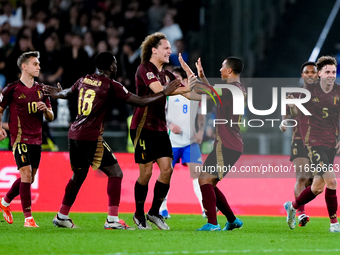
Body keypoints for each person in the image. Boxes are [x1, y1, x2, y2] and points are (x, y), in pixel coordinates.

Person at [43, 51, 180, 229]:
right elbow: (139, 101)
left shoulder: (84, 79)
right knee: (116, 173)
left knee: (78, 175)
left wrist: (58, 93)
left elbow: (68, 92)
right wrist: (164, 92)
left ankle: (62, 215)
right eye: (114, 64)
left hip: (74, 134)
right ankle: (112, 220)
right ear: (111, 67)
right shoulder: (110, 84)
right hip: (90, 136)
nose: (116, 66)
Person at [130, 32, 196, 230]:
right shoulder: (145, 69)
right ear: (154, 50)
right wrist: (183, 89)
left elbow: (188, 91)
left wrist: (212, 94)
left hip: (160, 127)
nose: (170, 51)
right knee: (146, 172)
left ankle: (154, 212)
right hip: (142, 127)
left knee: (167, 170)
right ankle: (139, 214)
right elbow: (160, 90)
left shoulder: (167, 74)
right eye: (166, 48)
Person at [186, 56, 246, 231]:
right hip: (230, 143)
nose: (220, 70)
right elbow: (211, 92)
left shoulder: (230, 89)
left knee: (204, 180)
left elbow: (204, 91)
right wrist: (202, 76)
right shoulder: (235, 89)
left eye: (222, 66)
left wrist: (190, 76)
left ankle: (212, 223)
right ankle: (232, 220)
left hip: (227, 143)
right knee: (209, 183)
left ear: (229, 70)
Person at [284, 55, 340, 233]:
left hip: (331, 141)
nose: (331, 75)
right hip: (313, 141)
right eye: (327, 72)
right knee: (331, 182)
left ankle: (292, 206)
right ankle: (334, 224)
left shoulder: (338, 91)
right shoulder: (308, 93)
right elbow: (293, 109)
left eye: (333, 72)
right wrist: (288, 115)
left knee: (316, 187)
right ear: (320, 74)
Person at [0, 51, 54, 227]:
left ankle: (5, 201)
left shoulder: (42, 90)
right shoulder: (11, 89)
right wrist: (0, 127)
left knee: (29, 179)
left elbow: (51, 117)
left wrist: (46, 110)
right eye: (35, 64)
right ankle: (28, 219)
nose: (39, 67)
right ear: (24, 66)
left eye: (38, 64)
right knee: (26, 174)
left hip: (37, 140)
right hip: (19, 139)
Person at [159, 66, 206, 219]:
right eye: (173, 79)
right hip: (171, 143)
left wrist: (200, 132)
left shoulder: (193, 95)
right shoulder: (167, 95)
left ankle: (205, 209)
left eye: (178, 78)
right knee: (166, 176)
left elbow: (201, 116)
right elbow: (160, 116)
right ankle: (162, 208)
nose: (175, 81)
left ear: (185, 80)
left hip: (190, 143)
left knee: (198, 175)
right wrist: (170, 125)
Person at [280, 62, 318, 227]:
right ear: (302, 75)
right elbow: (290, 111)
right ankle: (301, 213)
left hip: (318, 142)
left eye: (312, 72)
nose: (309, 75)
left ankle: (293, 206)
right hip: (299, 140)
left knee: (313, 182)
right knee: (302, 176)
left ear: (317, 75)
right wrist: (284, 122)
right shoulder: (294, 94)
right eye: (306, 72)